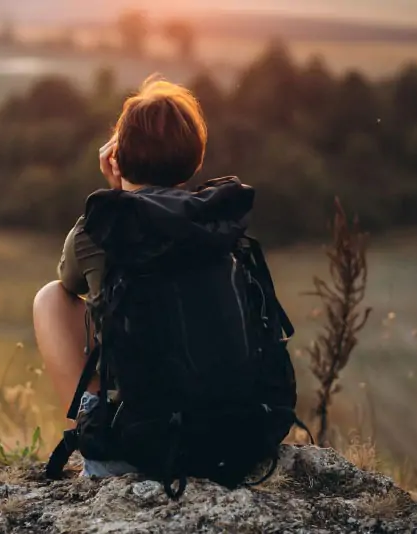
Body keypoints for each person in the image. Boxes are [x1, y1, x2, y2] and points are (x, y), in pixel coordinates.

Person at [34, 76, 303, 497]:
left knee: (50, 297)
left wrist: (115, 194)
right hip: (236, 444)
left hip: (138, 451)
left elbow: (72, 280)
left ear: (116, 157)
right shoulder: (220, 223)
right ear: (194, 160)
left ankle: (97, 417)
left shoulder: (99, 231)